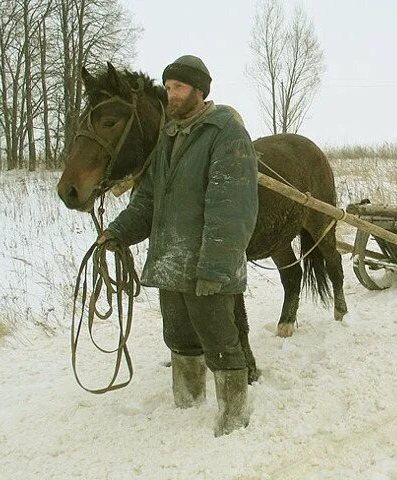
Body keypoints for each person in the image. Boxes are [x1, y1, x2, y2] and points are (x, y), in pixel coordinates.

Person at [97, 54, 259, 436]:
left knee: (221, 343)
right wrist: (117, 232)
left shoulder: (225, 134)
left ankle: (234, 419)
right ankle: (186, 408)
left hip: (208, 265)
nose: (171, 94)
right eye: (168, 87)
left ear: (200, 91)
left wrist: (216, 267)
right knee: (181, 340)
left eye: (179, 87)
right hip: (172, 263)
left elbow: (231, 210)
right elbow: (148, 200)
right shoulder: (167, 138)